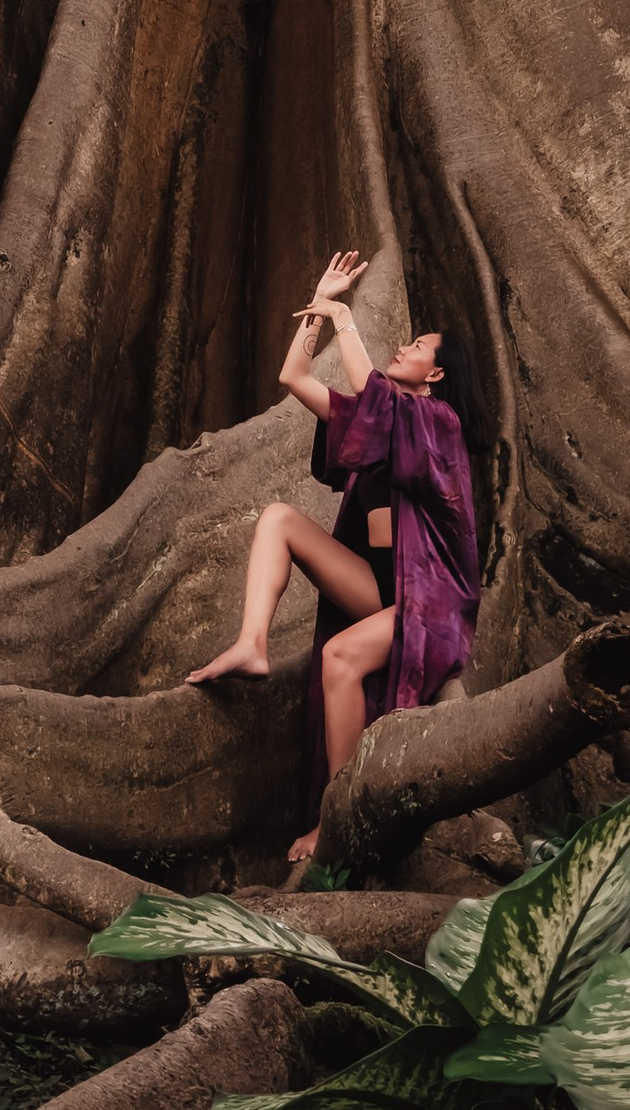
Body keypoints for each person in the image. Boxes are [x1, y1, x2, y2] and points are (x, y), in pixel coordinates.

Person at [187, 246, 481, 865]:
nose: (402, 348)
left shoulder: (438, 423)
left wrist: (346, 319)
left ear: (436, 374)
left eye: (417, 346)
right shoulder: (379, 424)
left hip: (431, 607)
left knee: (340, 656)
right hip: (380, 589)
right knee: (279, 519)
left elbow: (376, 396)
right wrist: (319, 308)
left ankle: (336, 820)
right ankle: (252, 644)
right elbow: (294, 379)